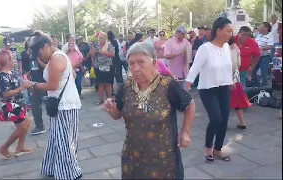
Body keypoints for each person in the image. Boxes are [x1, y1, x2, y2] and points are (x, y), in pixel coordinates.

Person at [103, 42, 195, 179]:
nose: (136, 68)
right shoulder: (127, 86)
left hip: (163, 158)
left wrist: (185, 132)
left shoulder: (167, 85)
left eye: (141, 62)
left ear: (154, 63)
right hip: (133, 156)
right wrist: (112, 110)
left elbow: (189, 104)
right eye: (132, 63)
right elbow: (118, 115)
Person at [26, 31, 82, 179]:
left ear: (45, 47)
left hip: (64, 104)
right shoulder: (55, 52)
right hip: (63, 103)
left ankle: (69, 173)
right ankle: (52, 168)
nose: (39, 58)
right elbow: (49, 41)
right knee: (57, 138)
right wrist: (40, 33)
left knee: (64, 140)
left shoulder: (56, 58)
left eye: (39, 54)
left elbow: (52, 85)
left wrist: (31, 84)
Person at [185, 17, 234, 162]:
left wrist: (231, 82)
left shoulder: (226, 47)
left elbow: (227, 67)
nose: (231, 34)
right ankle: (208, 147)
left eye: (232, 31)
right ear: (218, 31)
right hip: (208, 89)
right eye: (228, 31)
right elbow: (194, 69)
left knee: (224, 119)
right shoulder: (205, 48)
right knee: (216, 118)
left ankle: (218, 149)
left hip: (224, 88)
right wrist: (185, 88)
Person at [0, 49, 32, 159]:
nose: (14, 60)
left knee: (27, 122)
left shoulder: (12, 72)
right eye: (12, 58)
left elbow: (20, 81)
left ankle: (20, 147)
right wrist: (21, 88)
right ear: (8, 60)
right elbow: (6, 93)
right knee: (22, 127)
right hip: (12, 106)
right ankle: (4, 147)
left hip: (19, 103)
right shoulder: (3, 76)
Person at [228, 37, 252, 129]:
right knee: (238, 101)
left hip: (224, 78)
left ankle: (222, 122)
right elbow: (238, 63)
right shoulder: (236, 47)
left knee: (223, 101)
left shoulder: (222, 47)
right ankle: (242, 122)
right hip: (235, 77)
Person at [90, 32, 116, 104]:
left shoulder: (109, 44)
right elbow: (92, 55)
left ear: (105, 38)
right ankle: (100, 100)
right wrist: (92, 47)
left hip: (108, 66)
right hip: (98, 66)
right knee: (100, 84)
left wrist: (103, 52)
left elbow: (113, 54)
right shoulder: (96, 45)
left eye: (102, 38)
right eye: (99, 38)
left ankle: (109, 100)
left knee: (108, 83)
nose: (100, 39)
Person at [253, 22, 274, 87]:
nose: (260, 28)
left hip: (264, 57)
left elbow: (271, 46)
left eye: (262, 27)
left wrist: (261, 48)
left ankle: (264, 88)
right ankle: (258, 86)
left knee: (263, 73)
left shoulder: (269, 36)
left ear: (266, 28)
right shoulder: (258, 35)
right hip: (256, 56)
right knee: (252, 71)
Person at [20, 40, 32, 108]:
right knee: (25, 87)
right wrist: (22, 72)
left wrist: (29, 73)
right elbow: (21, 63)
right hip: (24, 72)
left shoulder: (34, 52)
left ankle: (29, 101)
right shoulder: (23, 53)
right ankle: (27, 102)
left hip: (30, 71)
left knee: (30, 87)